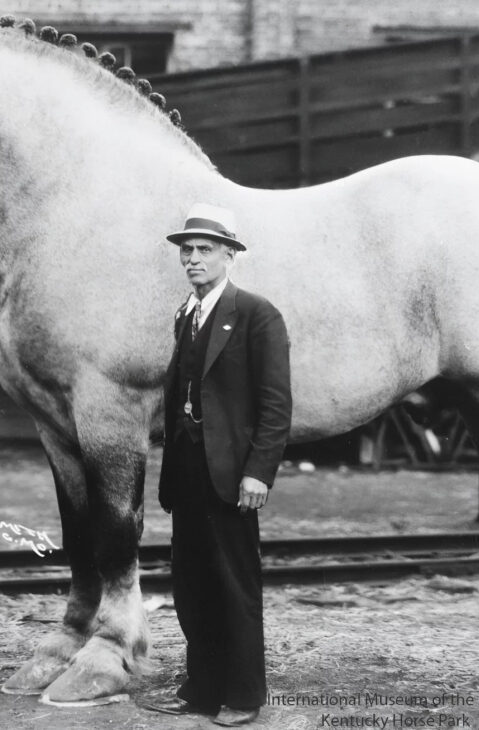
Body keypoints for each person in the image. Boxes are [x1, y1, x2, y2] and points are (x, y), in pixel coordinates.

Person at [146, 203, 291, 727]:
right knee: (191, 584)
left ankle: (244, 694)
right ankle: (202, 688)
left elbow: (276, 406)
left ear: (230, 255)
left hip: (232, 475)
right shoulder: (186, 314)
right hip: (187, 473)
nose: (192, 258)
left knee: (234, 584)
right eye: (186, 250)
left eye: (205, 249)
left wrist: (259, 472)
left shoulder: (256, 313)